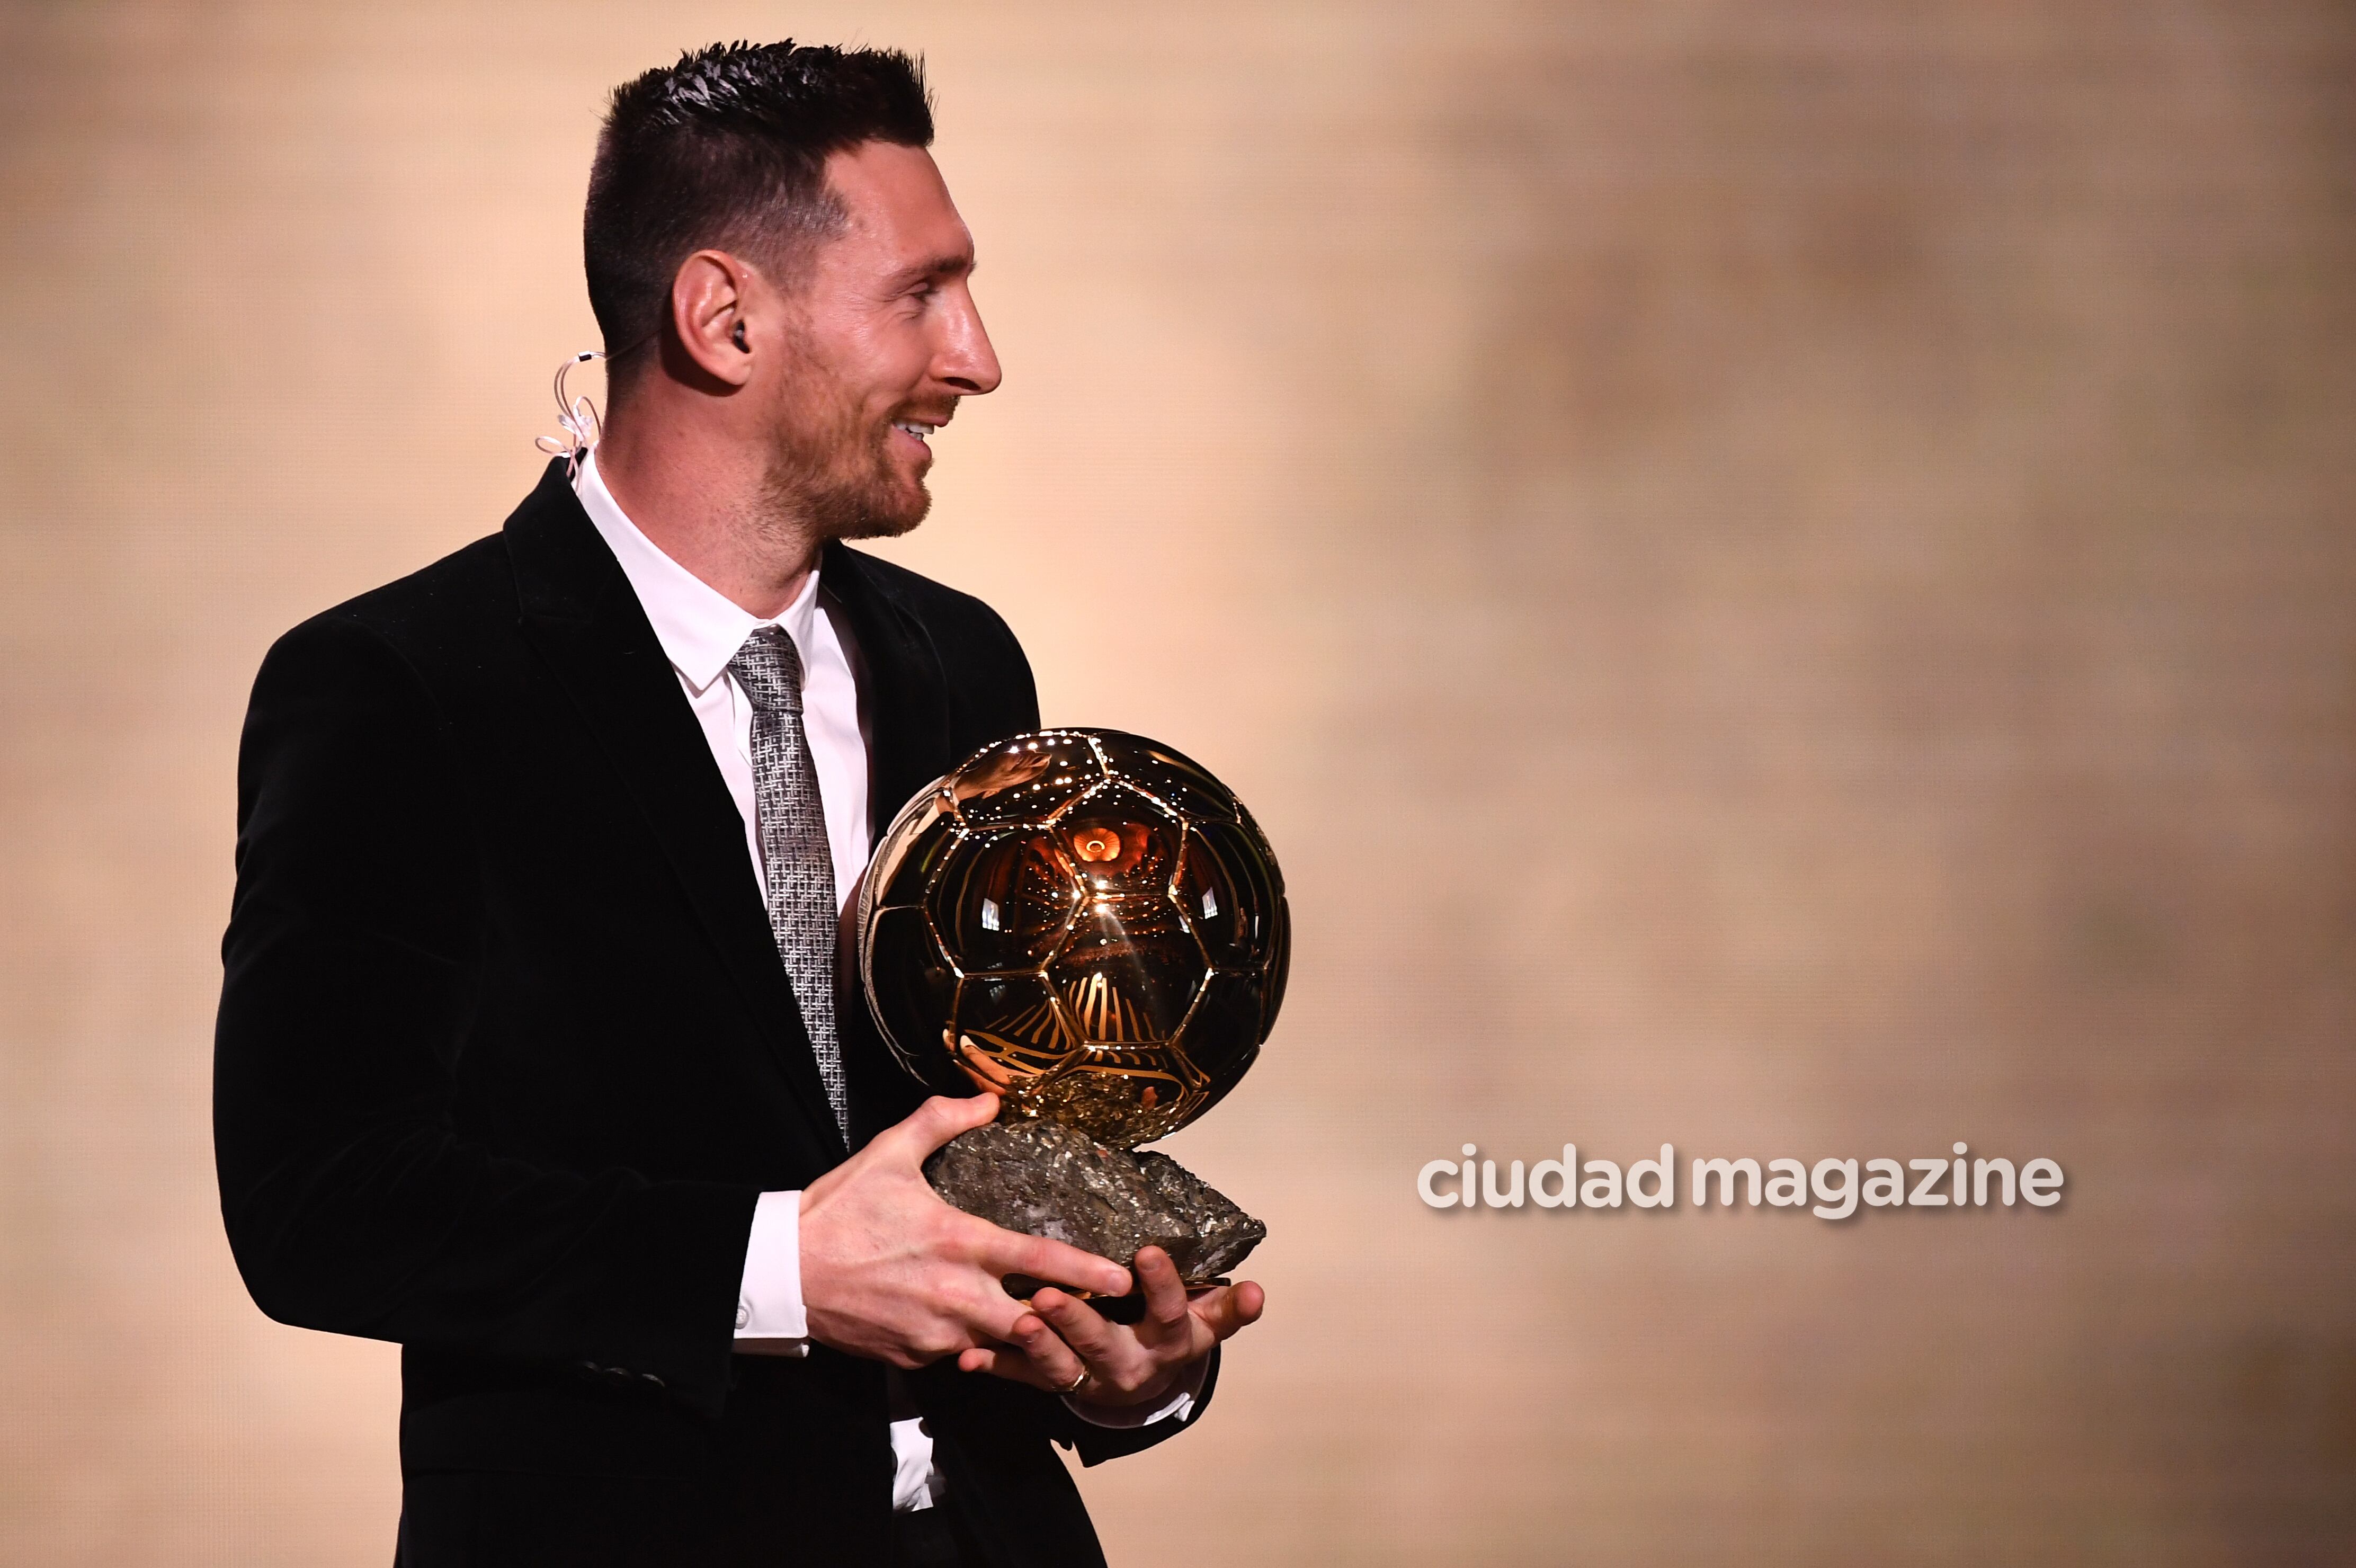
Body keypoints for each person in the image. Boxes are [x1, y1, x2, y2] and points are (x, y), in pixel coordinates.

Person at [212, 41, 1262, 1567]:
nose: (977, 356)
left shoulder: (962, 663)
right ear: (724, 317)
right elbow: (323, 1204)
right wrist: (777, 1266)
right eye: (924, 292)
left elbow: (998, 1163)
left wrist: (1126, 1370)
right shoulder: (399, 683)